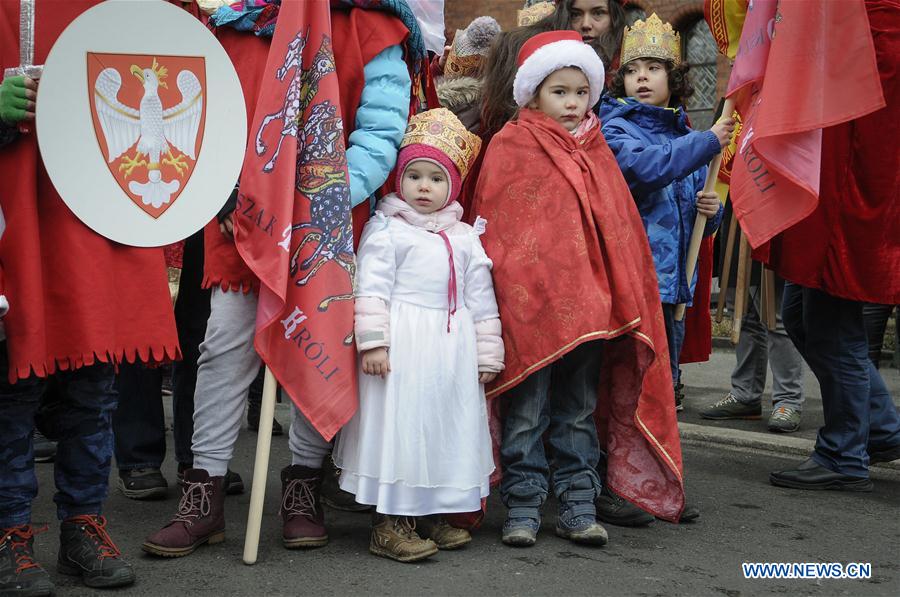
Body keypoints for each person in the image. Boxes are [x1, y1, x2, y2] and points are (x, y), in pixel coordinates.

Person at [142, 2, 416, 557]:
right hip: (241, 219)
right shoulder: (229, 26)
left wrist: (322, 202)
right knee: (223, 349)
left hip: (326, 226)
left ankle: (303, 486)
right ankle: (205, 490)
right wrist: (223, 194)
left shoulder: (372, 26)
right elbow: (198, 121)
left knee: (319, 349)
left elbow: (382, 128)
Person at [471, 30, 686, 548]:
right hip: (530, 313)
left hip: (590, 315)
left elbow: (618, 230)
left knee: (577, 413)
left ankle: (577, 502)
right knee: (526, 414)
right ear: (533, 94)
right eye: (559, 91)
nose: (572, 103)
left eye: (580, 91)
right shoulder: (511, 145)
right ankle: (522, 504)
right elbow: (501, 229)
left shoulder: (598, 148)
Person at [0, 2, 180, 592]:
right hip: (15, 210)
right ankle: (9, 535)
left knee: (93, 386)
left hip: (100, 213)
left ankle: (81, 527)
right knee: (12, 389)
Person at [333, 108, 502, 563]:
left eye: (436, 179)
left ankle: (430, 510)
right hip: (403, 347)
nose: (424, 187)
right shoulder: (388, 229)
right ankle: (389, 520)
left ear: (453, 186)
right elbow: (370, 287)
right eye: (414, 176)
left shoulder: (466, 237)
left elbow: (481, 298)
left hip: (450, 352)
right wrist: (374, 341)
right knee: (401, 428)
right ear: (399, 180)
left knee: (440, 428)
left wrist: (488, 354)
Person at [599, 13, 731, 411]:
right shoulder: (614, 130)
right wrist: (706, 143)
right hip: (632, 287)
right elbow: (647, 169)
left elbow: (696, 222)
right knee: (628, 393)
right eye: (632, 71)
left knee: (664, 397)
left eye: (653, 69)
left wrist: (712, 212)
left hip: (674, 292)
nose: (642, 78)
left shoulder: (688, 137)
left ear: (672, 79)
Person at [701, 239, 805, 433]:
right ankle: (745, 394)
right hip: (738, 223)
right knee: (741, 313)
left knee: (774, 314)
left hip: (769, 225)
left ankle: (788, 400)